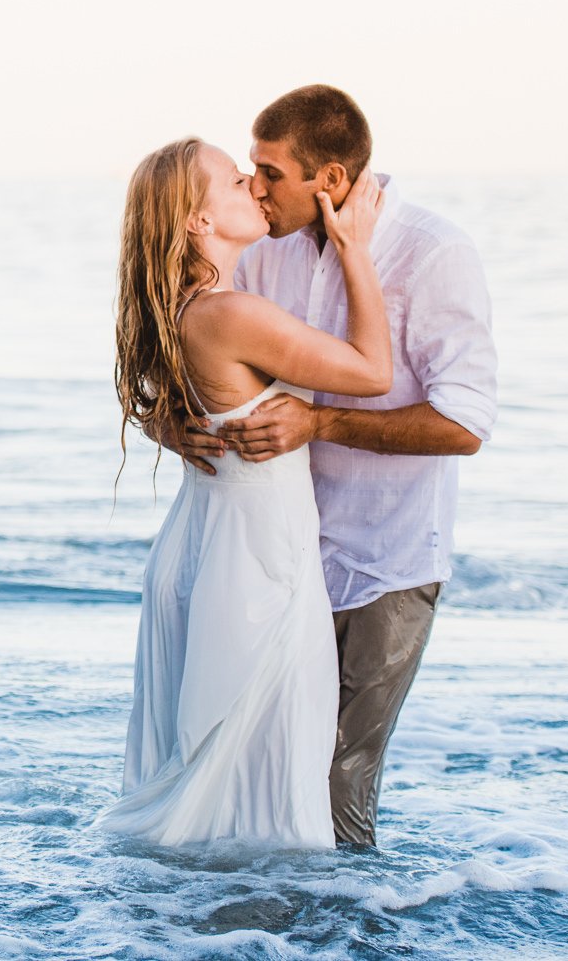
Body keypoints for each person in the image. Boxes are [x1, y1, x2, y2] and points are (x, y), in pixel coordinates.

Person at [174, 85, 498, 848]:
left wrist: (320, 421)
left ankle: (351, 930)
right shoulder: (265, 248)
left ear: (330, 180)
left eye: (269, 171)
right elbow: (200, 346)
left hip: (387, 562)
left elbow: (465, 423)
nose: (254, 186)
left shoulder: (434, 253)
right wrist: (175, 422)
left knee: (341, 776)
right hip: (285, 559)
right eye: (248, 171)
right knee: (266, 766)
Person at [100, 134, 390, 848]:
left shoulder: (184, 306)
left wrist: (163, 421)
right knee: (267, 800)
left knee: (218, 795)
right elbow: (372, 369)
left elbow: (166, 401)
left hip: (212, 549)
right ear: (198, 221)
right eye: (235, 182)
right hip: (256, 569)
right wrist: (355, 247)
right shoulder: (232, 314)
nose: (255, 189)